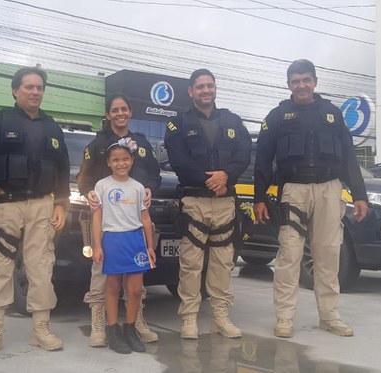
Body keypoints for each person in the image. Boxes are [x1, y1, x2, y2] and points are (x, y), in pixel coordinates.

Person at [253, 59, 368, 338]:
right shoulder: (277, 116)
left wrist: (359, 194)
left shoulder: (332, 113)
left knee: (328, 255)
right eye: (295, 81)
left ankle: (329, 317)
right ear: (289, 84)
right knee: (290, 256)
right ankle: (284, 318)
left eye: (306, 80)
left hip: (330, 189)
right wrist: (259, 197)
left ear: (315, 82)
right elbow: (263, 159)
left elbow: (349, 156)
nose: (301, 85)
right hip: (293, 191)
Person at [0, 66, 70, 355]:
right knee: (1, 266)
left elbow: (63, 169)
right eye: (29, 87)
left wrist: (62, 204)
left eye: (39, 88)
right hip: (6, 203)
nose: (35, 92)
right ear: (16, 91)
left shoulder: (52, 127)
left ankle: (41, 329)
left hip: (42, 204)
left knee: (41, 266)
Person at [164, 69, 251, 340]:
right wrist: (212, 180)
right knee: (191, 263)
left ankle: (220, 318)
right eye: (200, 86)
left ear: (215, 88)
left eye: (209, 86)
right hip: (195, 202)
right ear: (191, 91)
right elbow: (179, 163)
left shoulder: (233, 121)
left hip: (225, 202)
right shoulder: (176, 124)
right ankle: (189, 318)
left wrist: (227, 175)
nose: (205, 90)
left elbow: (244, 153)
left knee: (223, 263)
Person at [76, 94, 162, 347]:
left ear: (130, 112)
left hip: (136, 219)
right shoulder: (97, 145)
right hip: (106, 221)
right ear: (108, 115)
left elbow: (155, 174)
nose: (120, 113)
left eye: (124, 109)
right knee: (101, 274)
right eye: (115, 110)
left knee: (136, 279)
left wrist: (150, 188)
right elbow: (84, 177)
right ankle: (100, 322)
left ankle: (136, 322)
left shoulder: (142, 144)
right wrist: (88, 192)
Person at [91, 139, 157, 354]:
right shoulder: (102, 186)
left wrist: (150, 247)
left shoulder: (138, 187)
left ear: (132, 161)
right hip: (113, 239)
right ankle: (112, 330)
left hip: (135, 240)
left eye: (125, 159)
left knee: (136, 289)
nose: (121, 164)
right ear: (109, 163)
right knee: (113, 287)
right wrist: (97, 246)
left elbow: (145, 218)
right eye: (116, 160)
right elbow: (97, 217)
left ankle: (130, 329)